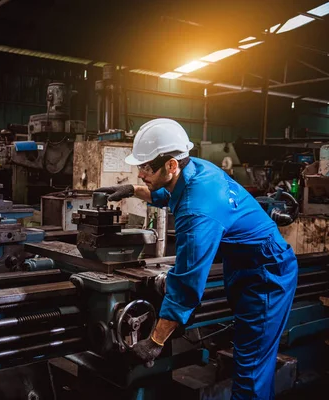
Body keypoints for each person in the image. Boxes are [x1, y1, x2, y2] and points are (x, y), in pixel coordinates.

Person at [96, 118, 298, 399]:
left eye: (146, 167)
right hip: (246, 265)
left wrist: (155, 341)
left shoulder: (197, 211)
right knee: (249, 353)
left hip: (266, 275)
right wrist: (133, 191)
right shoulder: (196, 169)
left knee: (250, 370)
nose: (141, 174)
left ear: (171, 165)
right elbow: (168, 193)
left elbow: (186, 285)